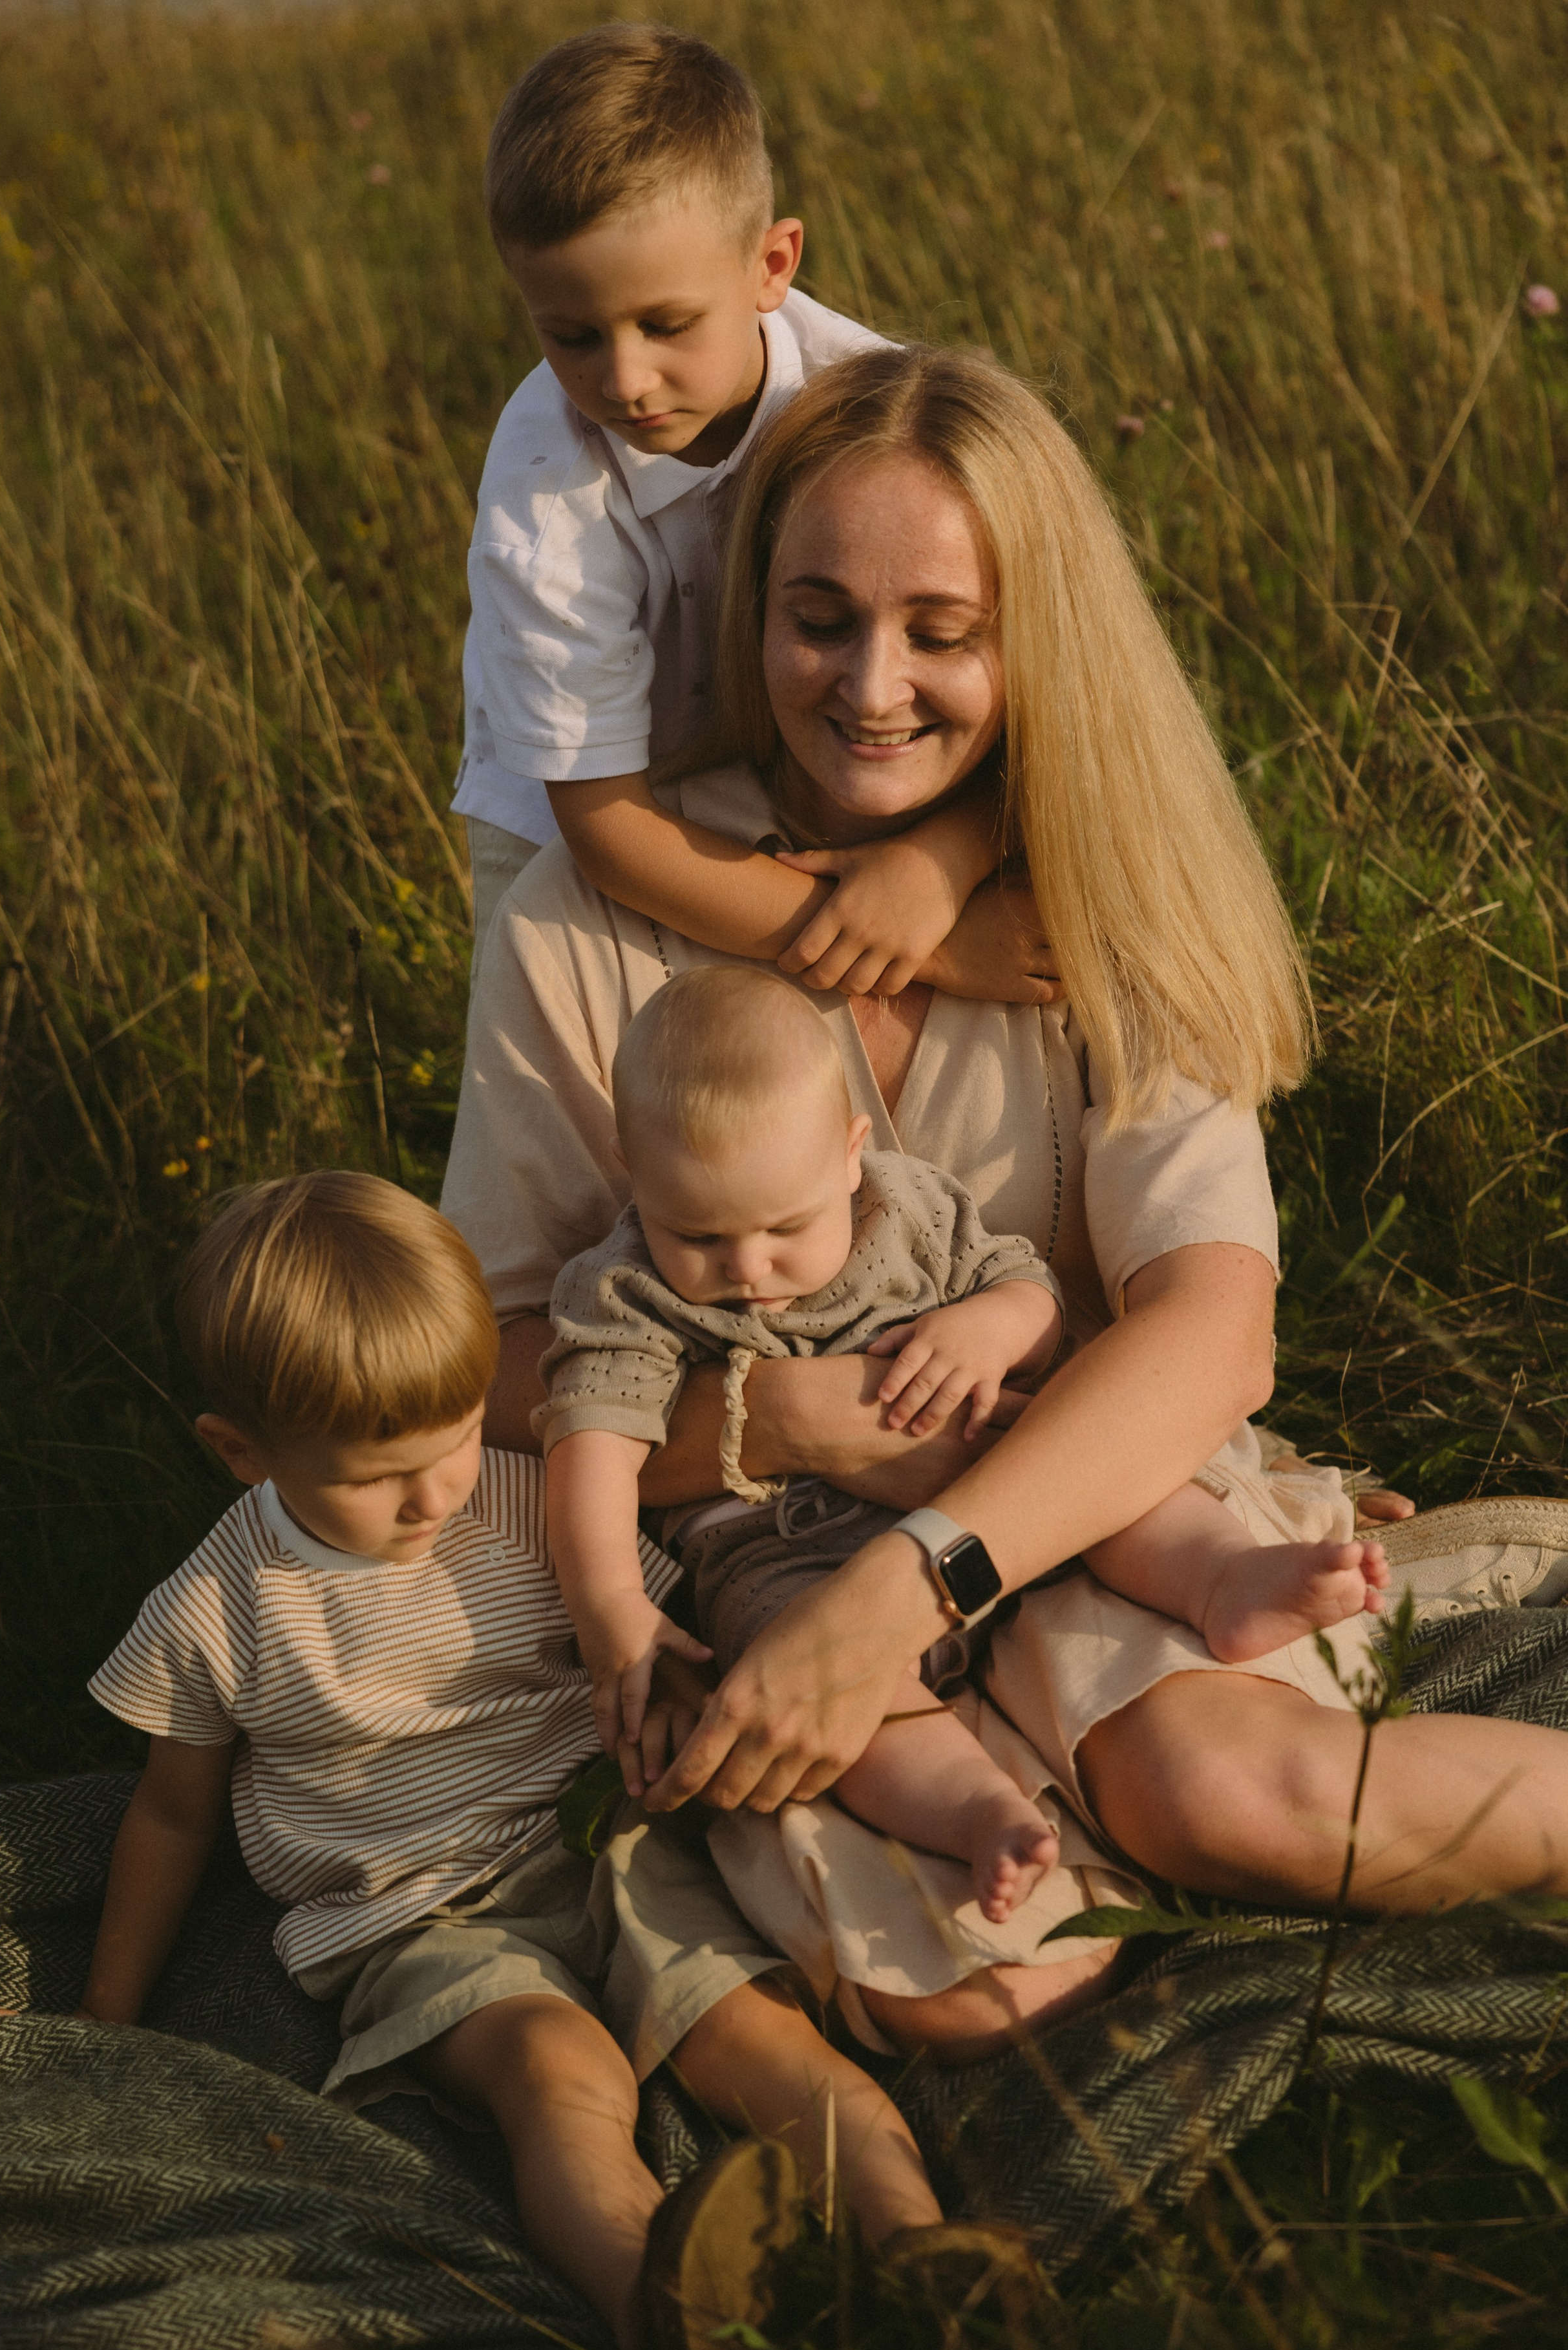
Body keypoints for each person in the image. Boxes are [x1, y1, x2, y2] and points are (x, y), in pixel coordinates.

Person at [445, 342, 1568, 2067]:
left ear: (1031, 635)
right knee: (990, 1995)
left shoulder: (1095, 889)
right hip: (757, 1560)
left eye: (942, 632)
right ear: (750, 614)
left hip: (1090, 1497)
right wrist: (781, 1420)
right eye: (820, 619)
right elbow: (489, 1357)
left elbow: (1211, 1329)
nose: (871, 685)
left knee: (1238, 1806)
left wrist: (915, 1578)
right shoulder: (579, 926)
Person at [76, 1171, 948, 2350]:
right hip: (414, 1914)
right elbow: (172, 1818)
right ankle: (665, 2315)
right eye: (376, 1477)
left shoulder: (524, 1497)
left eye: (453, 1442)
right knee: (557, 2074)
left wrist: (674, 1711)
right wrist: (109, 2018)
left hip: (601, 1840)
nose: (434, 1494)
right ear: (242, 1453)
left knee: (763, 2038)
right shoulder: (217, 1611)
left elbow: (658, 1641)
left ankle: (935, 2264)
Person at [540, 964, 1390, 1927]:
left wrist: (992, 1327)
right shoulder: (624, 1291)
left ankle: (1223, 1580)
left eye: (786, 1226)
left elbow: (1030, 1292)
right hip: (783, 1555)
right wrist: (609, 1605)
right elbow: (590, 1445)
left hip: (989, 1490)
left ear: (851, 1154)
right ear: (633, 1171)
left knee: (1107, 1478)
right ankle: (978, 1812)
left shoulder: (909, 1211)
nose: (747, 1267)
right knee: (822, 1694)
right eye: (696, 1235)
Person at [457, 25, 1058, 1016]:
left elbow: (1043, 694)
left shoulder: (872, 400)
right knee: (571, 1047)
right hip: (577, 822)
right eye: (571, 336)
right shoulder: (547, 504)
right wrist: (933, 950)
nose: (624, 379)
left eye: (666, 325)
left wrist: (937, 867)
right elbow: (610, 837)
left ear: (772, 264)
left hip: (790, 764)